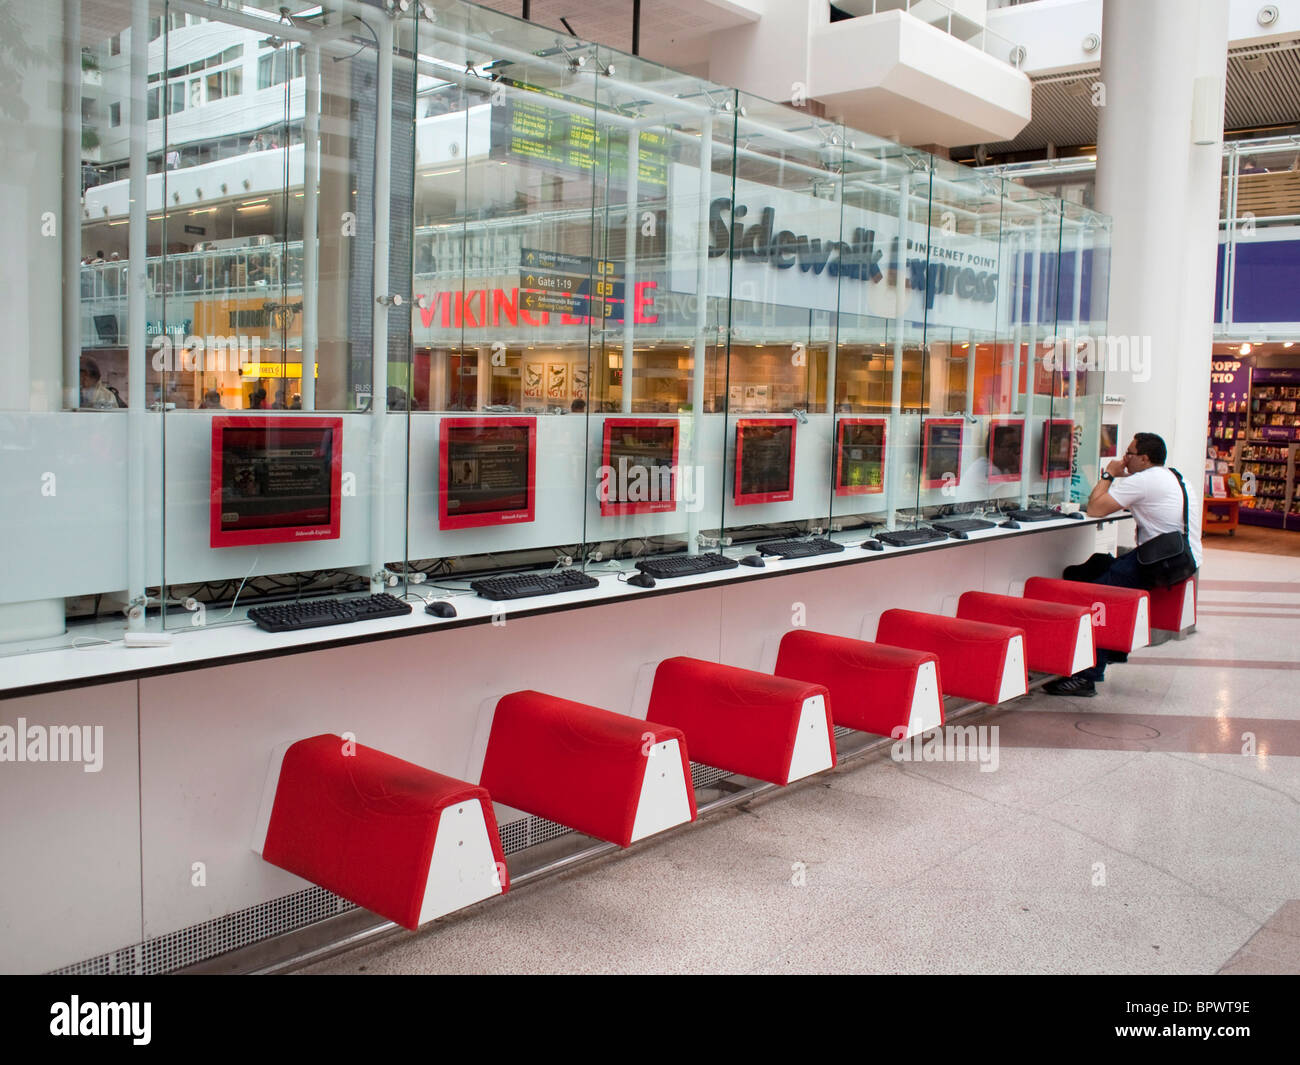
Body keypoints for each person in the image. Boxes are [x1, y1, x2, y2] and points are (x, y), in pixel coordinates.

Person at [1043, 432, 1203, 697]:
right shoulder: (1173, 475)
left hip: (1161, 563)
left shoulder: (1144, 480)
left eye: (1129, 453)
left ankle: (1087, 676)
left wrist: (1109, 475)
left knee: (1098, 595)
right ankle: (1108, 650)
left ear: (1144, 458)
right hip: (1181, 559)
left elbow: (1095, 508)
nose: (1124, 458)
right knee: (1096, 566)